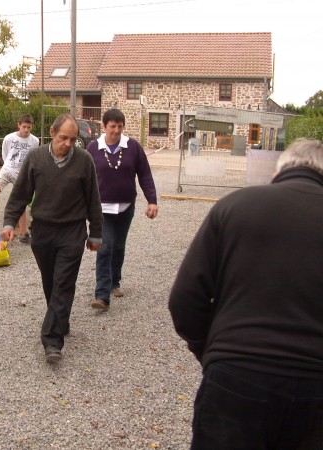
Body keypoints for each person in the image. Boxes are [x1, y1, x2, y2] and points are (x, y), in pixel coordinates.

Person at [168, 138, 323, 448]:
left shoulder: (234, 206)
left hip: (236, 374)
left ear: (279, 169)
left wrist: (212, 351)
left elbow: (185, 298)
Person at [1, 114, 103, 362]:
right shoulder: (35, 158)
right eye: (63, 138)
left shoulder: (84, 161)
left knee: (63, 283)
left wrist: (96, 233)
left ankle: (51, 340)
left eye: (73, 139)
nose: (68, 144)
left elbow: (93, 199)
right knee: (51, 282)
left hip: (72, 231)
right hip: (43, 232)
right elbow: (20, 193)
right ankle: (61, 319)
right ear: (51, 132)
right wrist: (9, 222)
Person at [86, 108, 158, 310]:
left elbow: (145, 175)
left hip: (126, 207)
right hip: (101, 208)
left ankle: (115, 281)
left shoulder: (133, 147)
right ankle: (102, 295)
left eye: (119, 126)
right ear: (104, 126)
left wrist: (151, 200)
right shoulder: (93, 148)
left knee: (118, 246)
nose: (116, 130)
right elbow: (84, 177)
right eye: (112, 126)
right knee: (105, 246)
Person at [0, 114, 39, 243]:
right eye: (24, 127)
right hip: (8, 168)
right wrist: (8, 165)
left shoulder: (34, 141)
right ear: (19, 125)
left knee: (20, 201)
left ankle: (24, 233)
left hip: (22, 173)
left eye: (29, 127)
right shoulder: (9, 138)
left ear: (32, 127)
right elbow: (5, 154)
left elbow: (34, 157)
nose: (26, 130)